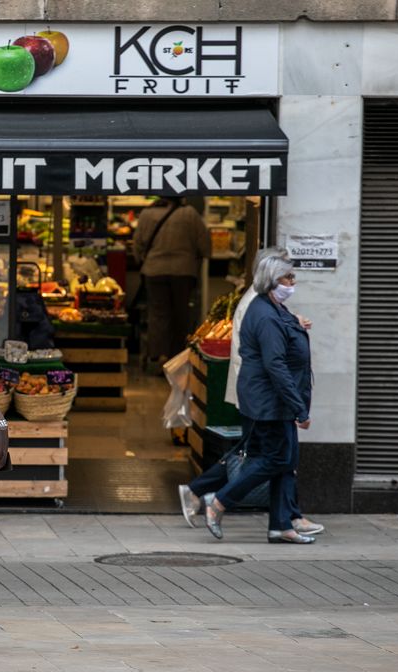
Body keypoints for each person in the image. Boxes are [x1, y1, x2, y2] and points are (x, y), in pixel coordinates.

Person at [179, 248, 323, 537]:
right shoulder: (264, 314)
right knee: (276, 459)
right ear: (271, 279)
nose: (292, 282)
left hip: (268, 400)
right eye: (287, 277)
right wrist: (298, 407)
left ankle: (282, 524)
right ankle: (218, 501)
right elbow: (275, 365)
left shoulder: (272, 309)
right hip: (270, 401)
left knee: (279, 459)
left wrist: (296, 324)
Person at [133, 197, 210, 368]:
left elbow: (137, 245)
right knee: (180, 315)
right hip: (183, 272)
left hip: (154, 271)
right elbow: (205, 245)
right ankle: (176, 358)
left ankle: (157, 354)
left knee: (157, 314)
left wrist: (143, 261)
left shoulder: (146, 214)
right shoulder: (190, 214)